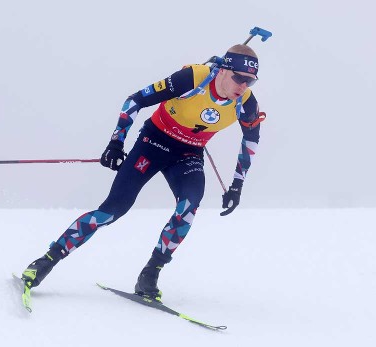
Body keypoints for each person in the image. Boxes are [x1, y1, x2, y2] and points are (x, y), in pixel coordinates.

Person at [20, 44, 264, 301]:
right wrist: (116, 142)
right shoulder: (193, 78)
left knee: (189, 206)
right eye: (239, 78)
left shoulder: (246, 103)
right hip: (153, 143)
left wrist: (237, 185)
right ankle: (46, 261)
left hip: (188, 155)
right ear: (224, 70)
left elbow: (251, 141)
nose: (244, 86)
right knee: (112, 211)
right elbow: (135, 100)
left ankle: (150, 274)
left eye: (251, 81)